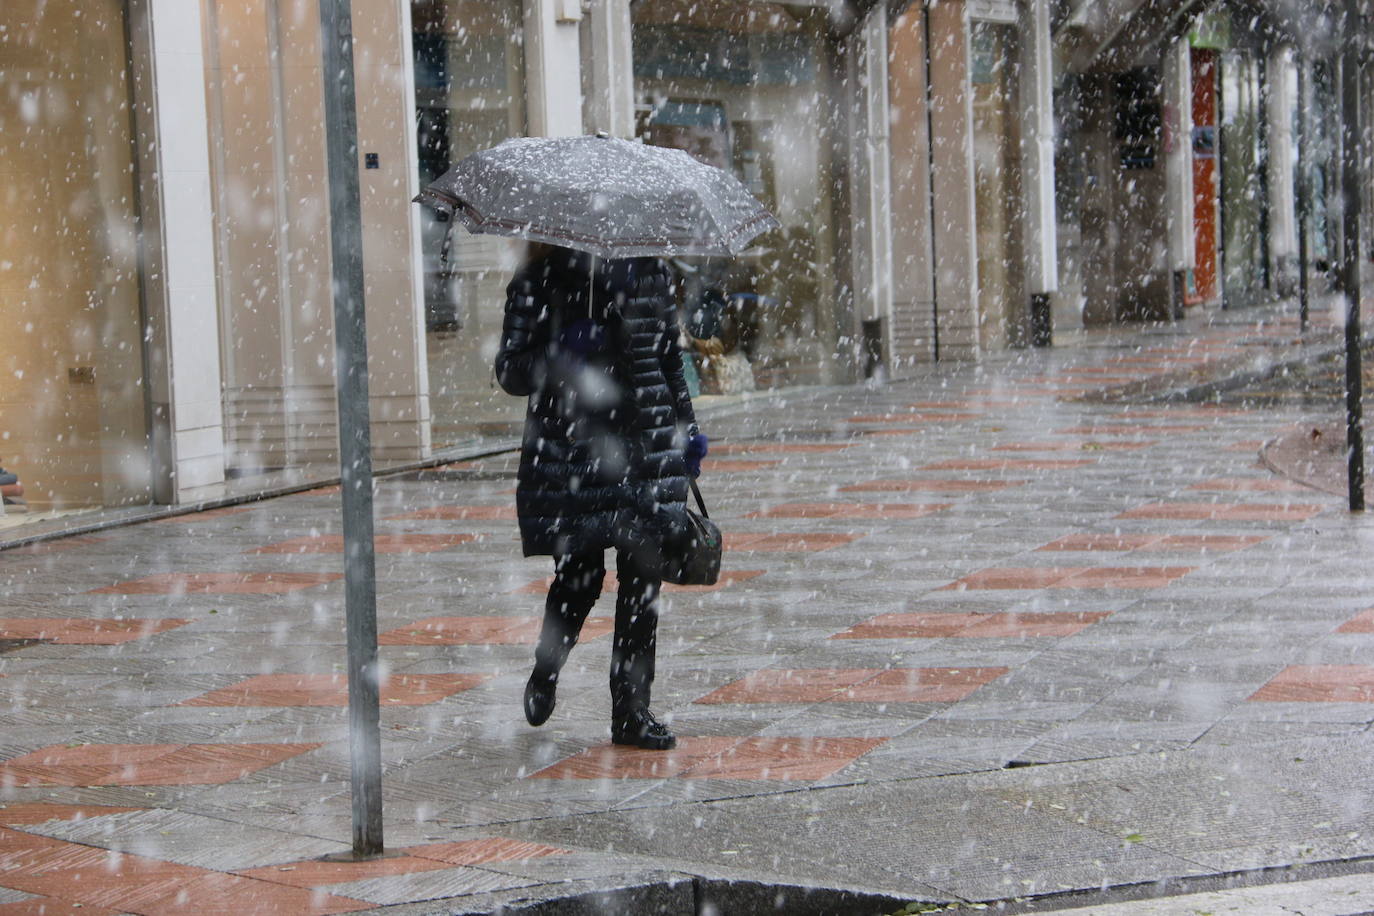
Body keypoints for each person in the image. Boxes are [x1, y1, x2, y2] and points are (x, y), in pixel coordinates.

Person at [495, 243, 708, 750]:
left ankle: (631, 713)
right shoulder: (539, 279)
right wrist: (559, 354)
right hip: (576, 451)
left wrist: (686, 424)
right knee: (579, 579)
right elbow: (510, 370)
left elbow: (667, 358)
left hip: (646, 450)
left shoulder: (651, 272)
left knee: (643, 581)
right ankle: (546, 670)